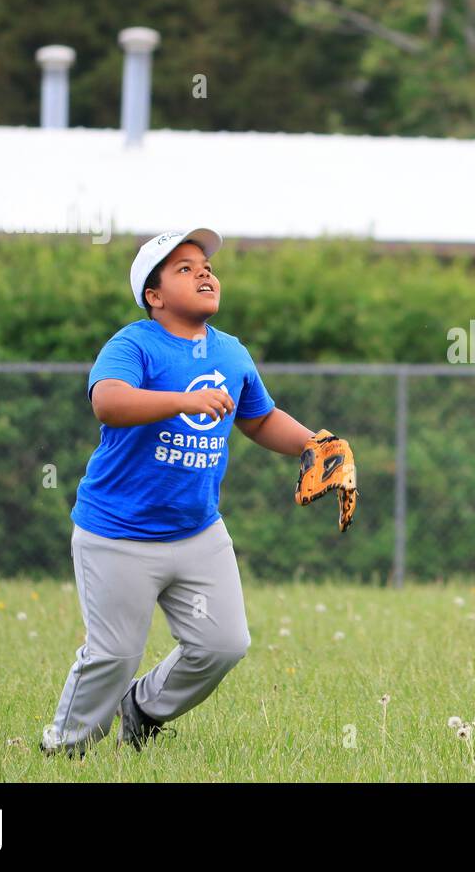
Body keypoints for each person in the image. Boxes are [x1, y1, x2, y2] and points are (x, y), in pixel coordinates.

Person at [42, 228, 318, 757]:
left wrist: (316, 445)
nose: (205, 273)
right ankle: (65, 748)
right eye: (185, 269)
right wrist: (180, 402)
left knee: (223, 644)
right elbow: (109, 402)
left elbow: (260, 420)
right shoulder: (133, 344)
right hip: (118, 532)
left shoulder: (232, 353)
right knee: (114, 654)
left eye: (207, 266)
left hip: (197, 531)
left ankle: (142, 708)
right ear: (155, 295)